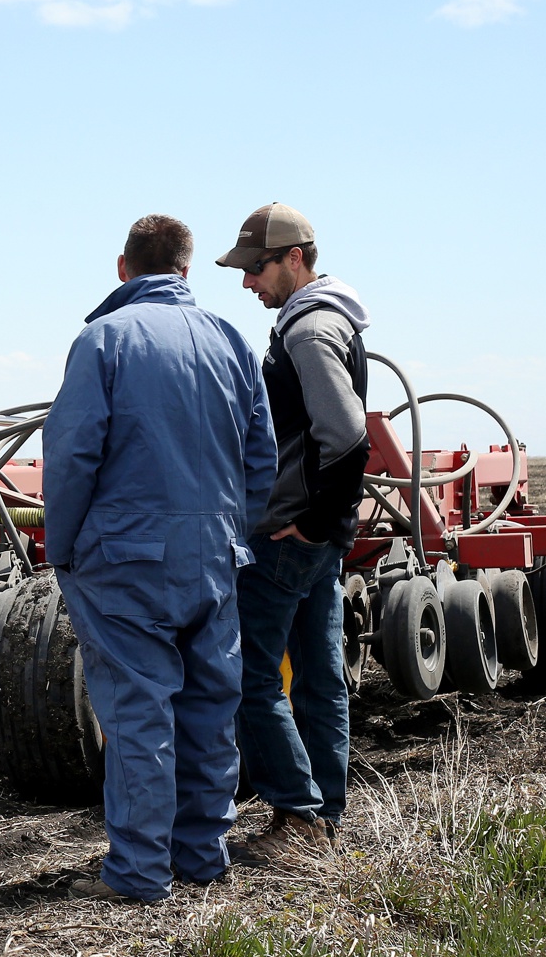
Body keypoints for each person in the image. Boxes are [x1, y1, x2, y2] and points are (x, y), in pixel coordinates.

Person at [44, 215, 277, 902]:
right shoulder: (229, 340)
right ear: (185, 270)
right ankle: (202, 856)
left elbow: (74, 455)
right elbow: (261, 454)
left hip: (126, 560)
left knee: (140, 711)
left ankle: (140, 874)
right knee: (210, 706)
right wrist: (234, 528)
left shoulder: (103, 340)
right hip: (214, 556)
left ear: (123, 268)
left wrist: (65, 548)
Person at [213, 203, 370, 863]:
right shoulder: (327, 319)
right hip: (314, 535)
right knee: (318, 677)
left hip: (291, 536)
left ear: (295, 258)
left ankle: (300, 819)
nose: (250, 282)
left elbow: (348, 432)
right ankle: (322, 819)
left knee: (249, 677)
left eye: (257, 267)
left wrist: (314, 521)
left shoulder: (308, 330)